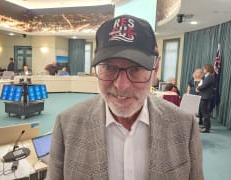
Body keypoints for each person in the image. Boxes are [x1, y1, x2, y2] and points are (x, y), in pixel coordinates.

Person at [48, 15, 204, 180]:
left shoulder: (185, 126)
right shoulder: (66, 124)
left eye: (135, 69)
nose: (121, 86)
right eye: (108, 67)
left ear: (155, 68)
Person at [196, 64, 215, 133]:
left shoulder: (210, 76)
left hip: (205, 96)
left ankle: (207, 128)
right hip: (204, 95)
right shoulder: (207, 76)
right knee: (204, 112)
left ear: (207, 69)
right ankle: (205, 125)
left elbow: (205, 85)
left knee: (205, 113)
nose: (203, 69)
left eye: (204, 68)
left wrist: (198, 88)